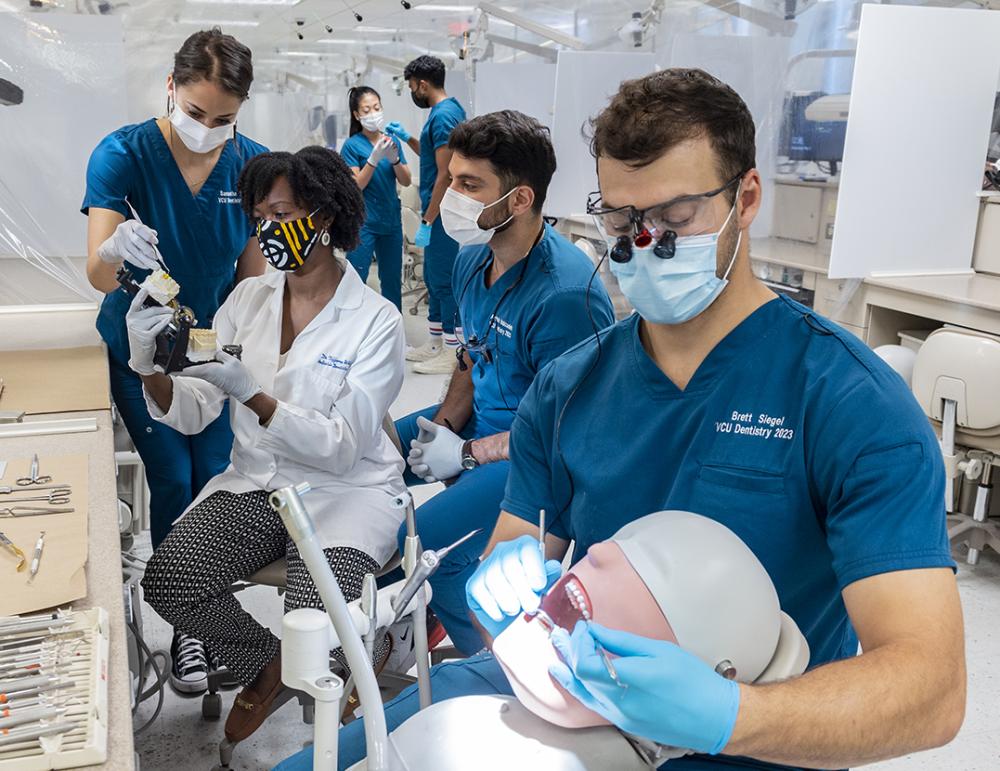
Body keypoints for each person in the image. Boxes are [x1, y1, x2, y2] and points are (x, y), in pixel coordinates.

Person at [277, 69, 965, 771]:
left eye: (674, 219)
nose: (642, 243)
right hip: (560, 689)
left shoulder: (847, 401)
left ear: (745, 199)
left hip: (752, 738)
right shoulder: (571, 387)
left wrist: (732, 715)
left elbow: (930, 688)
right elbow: (513, 561)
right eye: (620, 219)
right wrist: (500, 587)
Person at [138, 146, 407, 744]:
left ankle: (338, 678)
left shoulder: (375, 320)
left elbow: (340, 447)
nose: (268, 230)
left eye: (281, 213)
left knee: (320, 626)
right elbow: (195, 406)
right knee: (170, 579)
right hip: (260, 482)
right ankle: (271, 663)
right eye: (260, 216)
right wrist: (148, 366)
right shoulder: (247, 299)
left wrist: (257, 397)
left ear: (326, 215)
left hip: (345, 491)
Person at [81, 28, 268, 695]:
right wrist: (113, 252)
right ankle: (186, 623)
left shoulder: (252, 165)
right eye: (196, 113)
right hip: (139, 345)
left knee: (215, 474)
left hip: (209, 348)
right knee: (171, 473)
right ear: (170, 86)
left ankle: (206, 611)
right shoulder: (123, 154)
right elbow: (98, 274)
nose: (207, 130)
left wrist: (248, 352)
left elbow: (252, 281)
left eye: (224, 120)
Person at [391, 110, 615, 656]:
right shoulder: (472, 260)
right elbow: (472, 359)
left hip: (538, 459)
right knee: (363, 452)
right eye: (451, 179)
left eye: (470, 186)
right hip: (479, 430)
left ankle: (497, 669)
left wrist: (465, 455)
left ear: (519, 200)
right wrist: (440, 428)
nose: (451, 197)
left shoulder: (565, 297)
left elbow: (571, 431)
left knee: (421, 545)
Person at [385, 55, 467, 373]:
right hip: (439, 210)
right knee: (433, 277)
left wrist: (428, 219)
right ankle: (435, 342)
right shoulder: (441, 114)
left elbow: (446, 174)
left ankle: (453, 349)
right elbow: (434, 156)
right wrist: (408, 138)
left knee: (445, 279)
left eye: (411, 87)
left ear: (422, 84)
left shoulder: (446, 115)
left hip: (444, 212)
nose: (412, 93)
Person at [340, 86, 412, 311]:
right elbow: (357, 185)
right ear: (357, 115)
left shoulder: (392, 141)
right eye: (366, 109)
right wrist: (373, 159)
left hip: (390, 222)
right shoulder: (351, 146)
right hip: (364, 223)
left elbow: (407, 180)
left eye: (376, 108)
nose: (373, 113)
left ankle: (393, 331)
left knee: (391, 281)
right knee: (355, 279)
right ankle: (350, 331)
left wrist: (394, 160)